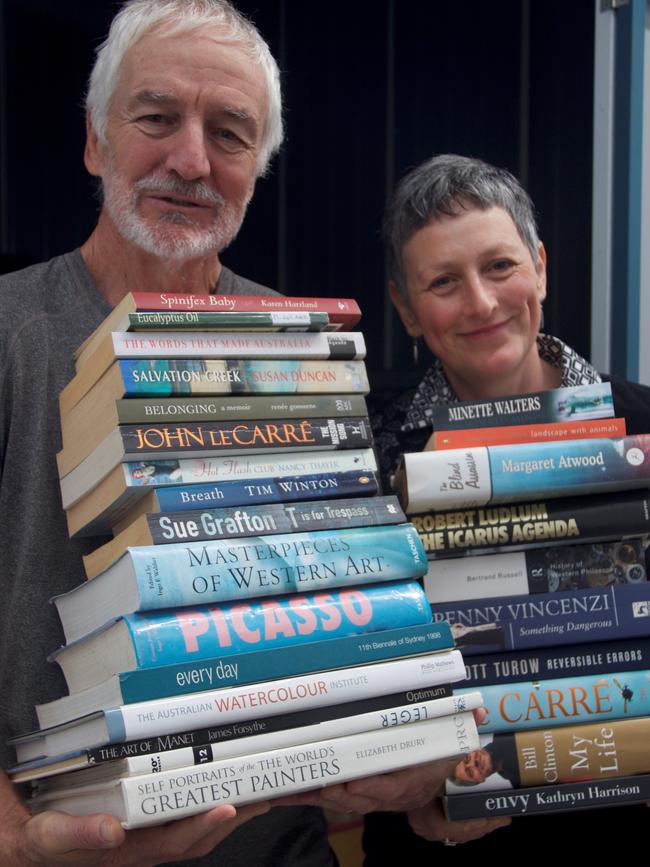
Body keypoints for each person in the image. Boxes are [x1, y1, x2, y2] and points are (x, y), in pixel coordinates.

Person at [0, 2, 327, 865]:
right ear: (94, 142)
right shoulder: (9, 335)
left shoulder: (303, 347)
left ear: (258, 166)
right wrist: (12, 838)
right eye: (155, 118)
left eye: (229, 132)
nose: (190, 160)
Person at [362, 153, 650, 861]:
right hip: (447, 841)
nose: (483, 304)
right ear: (405, 307)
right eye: (443, 282)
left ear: (541, 267)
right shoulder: (371, 464)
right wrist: (415, 797)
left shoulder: (644, 427)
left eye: (499, 266)